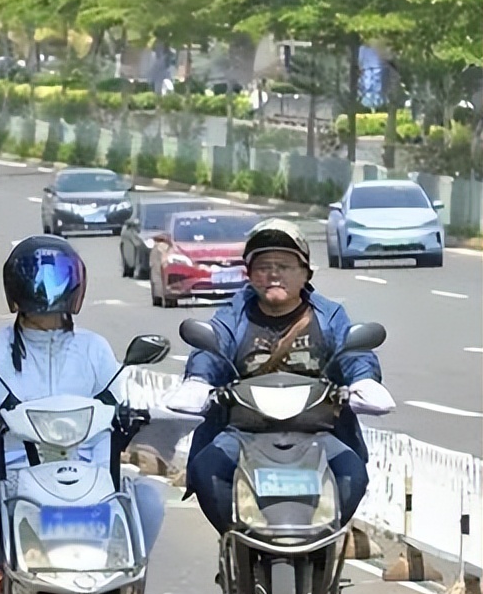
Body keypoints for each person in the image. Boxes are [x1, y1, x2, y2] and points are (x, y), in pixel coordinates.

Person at [0, 236, 165, 594]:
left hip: (92, 475)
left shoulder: (94, 348)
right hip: (14, 477)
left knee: (150, 503)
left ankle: (127, 590)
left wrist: (135, 417)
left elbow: (122, 400)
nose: (46, 296)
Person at [166, 218, 394, 538]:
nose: (274, 274)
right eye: (263, 266)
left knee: (352, 472)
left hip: (318, 431)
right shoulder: (234, 315)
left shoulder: (329, 316)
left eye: (285, 265)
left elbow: (353, 352)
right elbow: (212, 347)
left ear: (305, 273)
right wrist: (199, 382)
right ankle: (237, 547)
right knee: (208, 468)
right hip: (244, 433)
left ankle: (325, 548)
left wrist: (364, 381)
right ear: (249, 275)